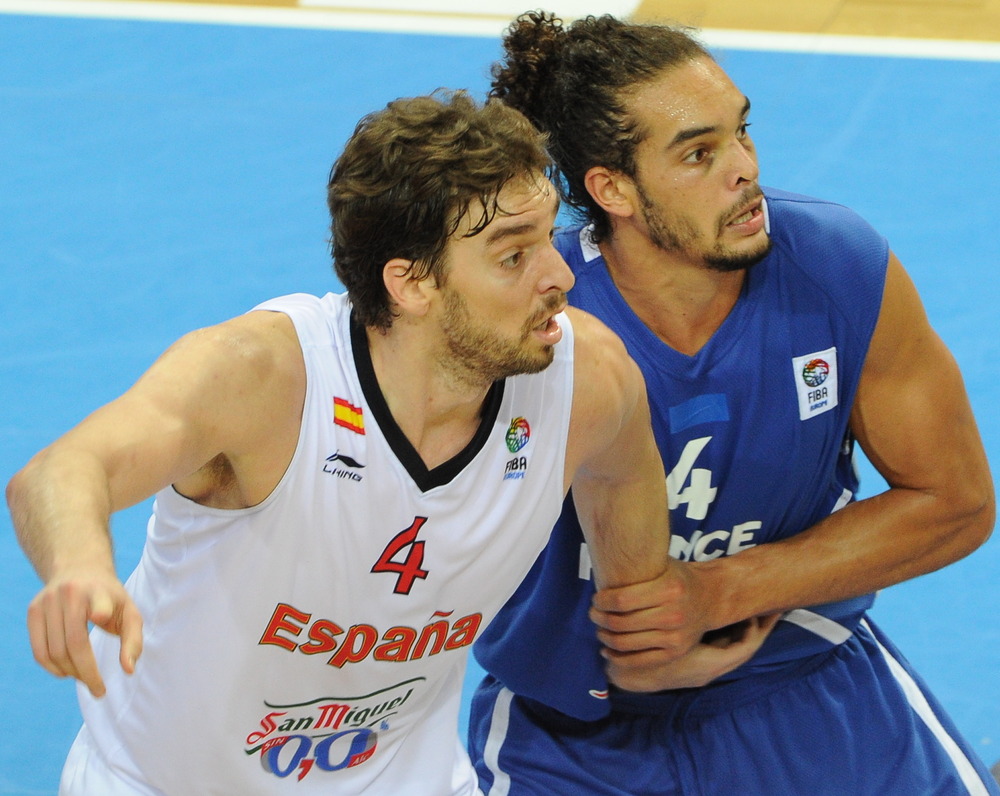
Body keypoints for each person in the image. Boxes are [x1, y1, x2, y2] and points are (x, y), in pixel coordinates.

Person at [6, 89, 696, 795]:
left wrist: (642, 604)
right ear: (412, 283)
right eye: (514, 256)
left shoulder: (587, 383)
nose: (560, 276)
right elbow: (63, 470)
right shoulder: (267, 379)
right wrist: (78, 567)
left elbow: (623, 472)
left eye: (548, 237)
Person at [468, 12, 998, 795]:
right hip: (577, 736)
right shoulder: (532, 322)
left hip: (808, 688)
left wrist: (721, 590)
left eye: (741, 133)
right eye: (699, 153)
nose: (744, 168)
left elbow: (955, 502)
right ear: (612, 189)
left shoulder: (838, 269)